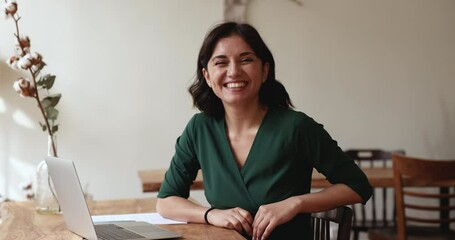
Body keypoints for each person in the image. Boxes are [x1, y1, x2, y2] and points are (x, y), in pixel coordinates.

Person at [156, 21, 372, 240]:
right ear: (208, 76)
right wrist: (211, 215)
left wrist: (295, 203)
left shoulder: (296, 127)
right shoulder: (199, 129)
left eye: (246, 60)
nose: (233, 71)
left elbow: (357, 186)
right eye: (221, 62)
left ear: (265, 70)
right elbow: (166, 201)